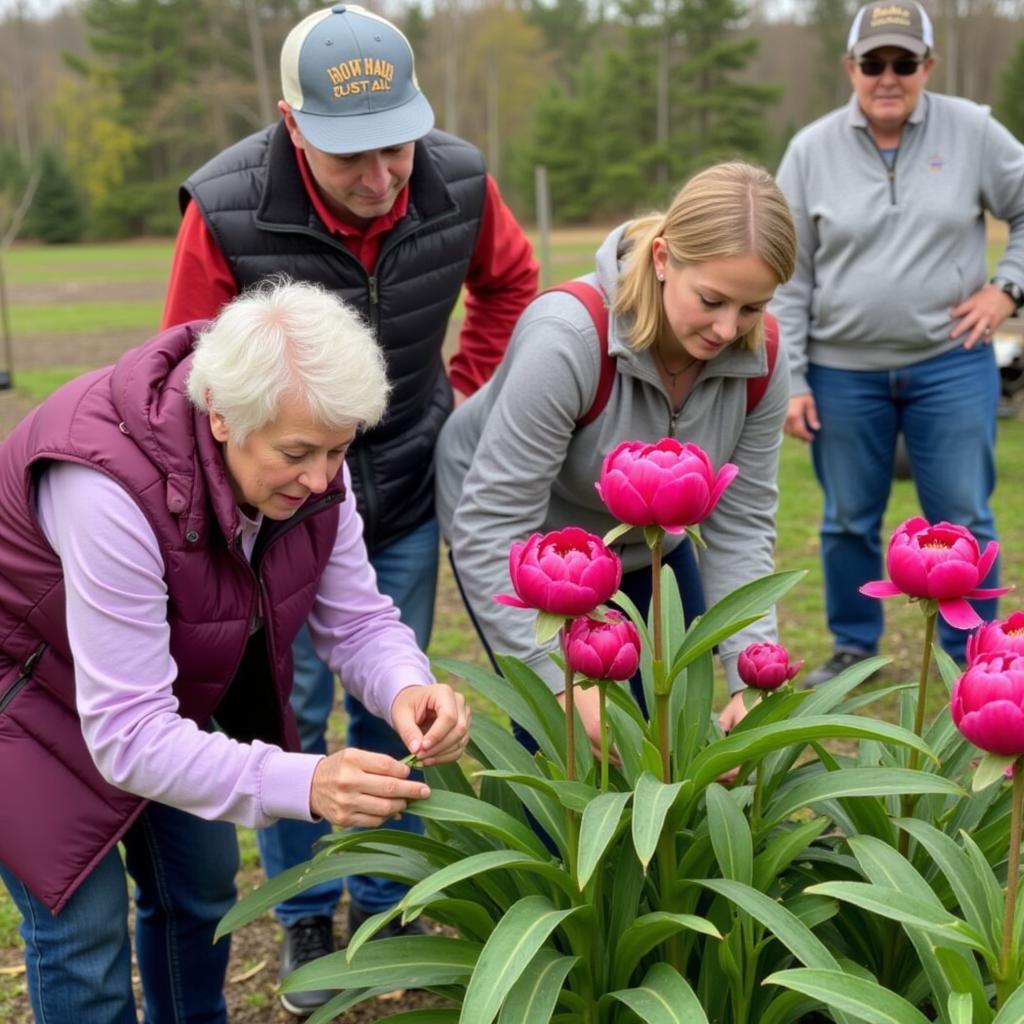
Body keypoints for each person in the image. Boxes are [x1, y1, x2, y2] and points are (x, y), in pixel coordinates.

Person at [161, 4, 537, 1009]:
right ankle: (302, 916)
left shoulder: (457, 178)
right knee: (286, 715)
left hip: (402, 482)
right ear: (293, 123)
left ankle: (388, 899)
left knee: (391, 692)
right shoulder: (228, 208)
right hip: (271, 513)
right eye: (348, 157)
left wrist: (465, 386)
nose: (381, 178)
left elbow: (511, 282)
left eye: (396, 147)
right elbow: (189, 373)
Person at [0, 280, 471, 1023]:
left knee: (203, 883)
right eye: (299, 454)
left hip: (145, 689)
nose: (323, 479)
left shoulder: (310, 454)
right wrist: (309, 782)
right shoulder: (105, 490)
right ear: (221, 416)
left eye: (339, 450)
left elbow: (354, 619)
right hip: (23, 693)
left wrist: (407, 686)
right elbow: (127, 735)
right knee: (82, 928)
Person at [436, 162, 798, 747]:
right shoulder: (569, 339)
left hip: (653, 548)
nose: (730, 329)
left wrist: (747, 674)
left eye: (752, 307)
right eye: (712, 299)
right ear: (661, 259)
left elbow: (741, 523)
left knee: (672, 729)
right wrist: (562, 686)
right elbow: (493, 522)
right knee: (570, 743)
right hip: (535, 547)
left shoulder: (763, 358)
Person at [769, 0, 1024, 687]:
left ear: (927, 66)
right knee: (848, 519)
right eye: (874, 62)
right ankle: (856, 646)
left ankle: (973, 655)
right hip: (842, 372)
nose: (889, 76)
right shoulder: (810, 150)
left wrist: (1008, 288)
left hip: (952, 364)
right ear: (850, 67)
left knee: (963, 519)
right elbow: (789, 273)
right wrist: (792, 380)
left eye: (904, 62)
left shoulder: (973, 131)